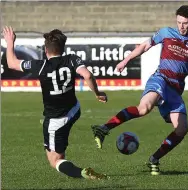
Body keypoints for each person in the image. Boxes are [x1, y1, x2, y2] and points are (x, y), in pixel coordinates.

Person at [91, 5, 188, 175]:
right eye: (179, 22)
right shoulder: (166, 33)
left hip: (175, 89)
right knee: (144, 108)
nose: (182, 26)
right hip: (160, 79)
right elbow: (144, 46)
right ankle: (104, 128)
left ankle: (154, 159)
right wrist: (125, 61)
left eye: (185, 23)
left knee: (182, 129)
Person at [3, 26, 109, 180]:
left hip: (56, 120)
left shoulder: (41, 66)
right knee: (59, 149)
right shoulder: (72, 59)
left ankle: (83, 173)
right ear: (62, 48)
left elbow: (12, 63)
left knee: (54, 160)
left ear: (46, 50)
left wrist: (10, 42)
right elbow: (87, 75)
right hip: (74, 110)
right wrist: (98, 94)